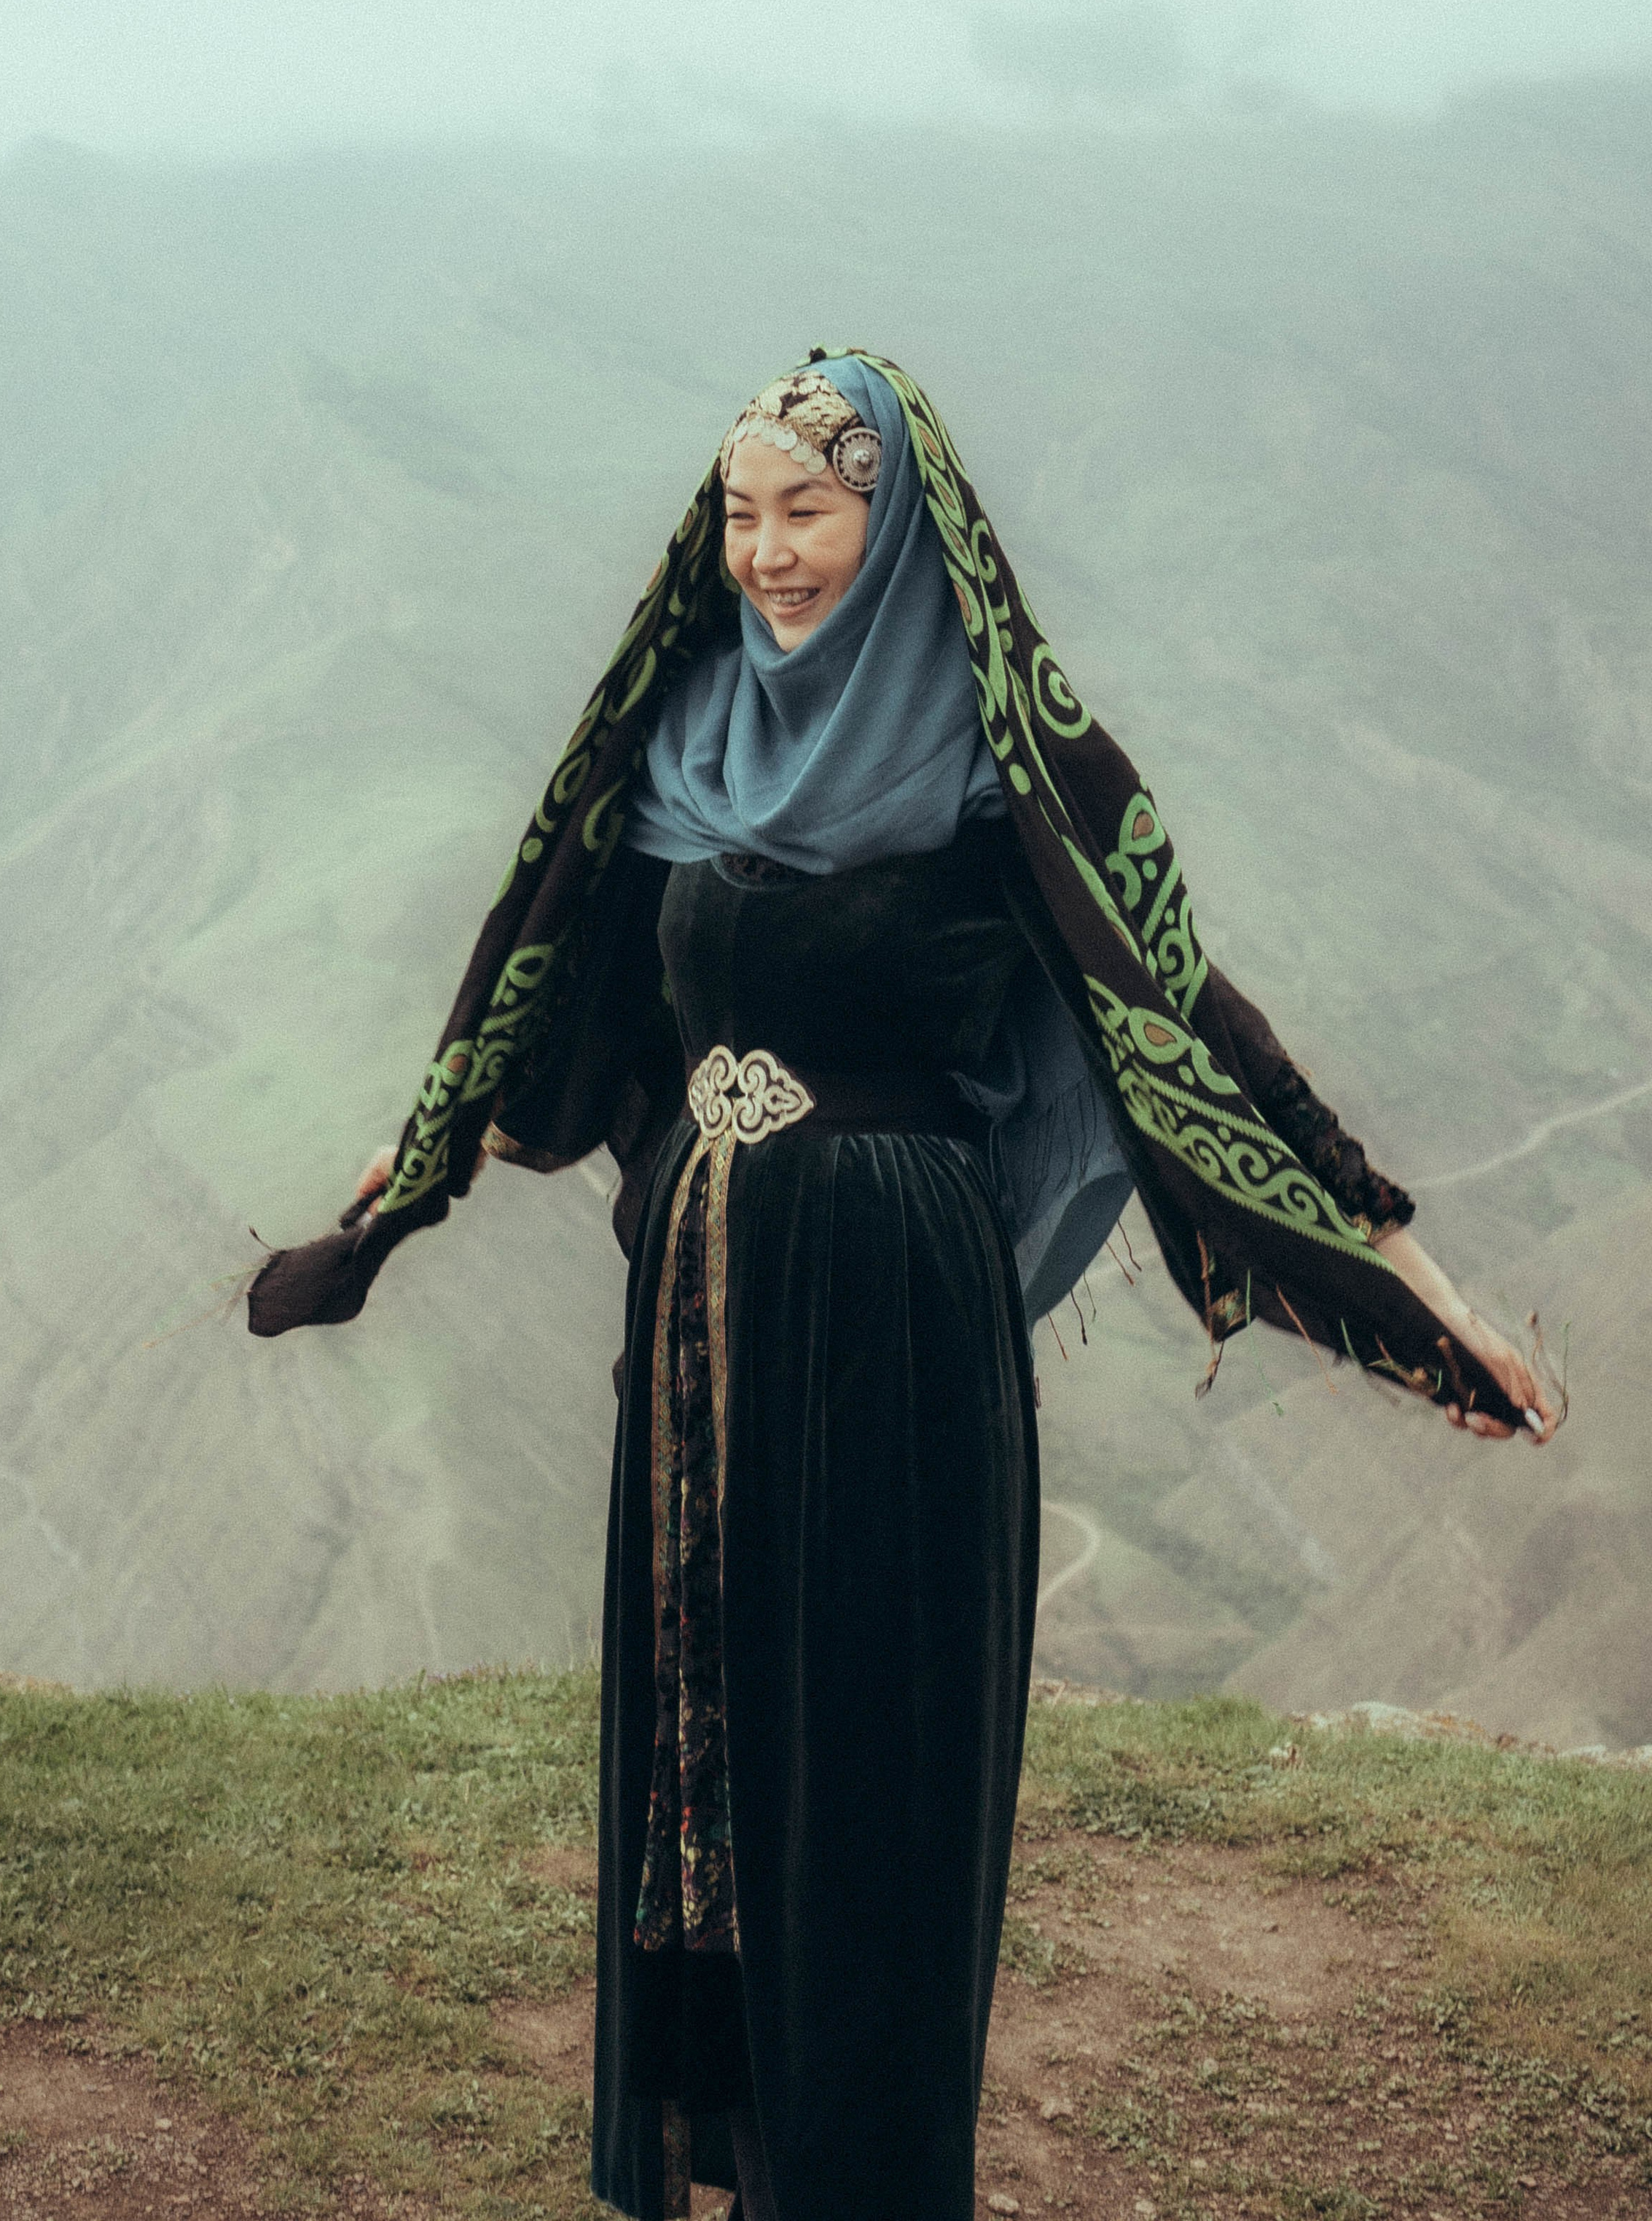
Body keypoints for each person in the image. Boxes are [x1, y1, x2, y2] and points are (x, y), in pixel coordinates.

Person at [248, 353, 1559, 2221]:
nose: (771, 555)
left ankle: (856, 2166)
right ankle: (725, 2124)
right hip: (696, 1297)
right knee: (701, 1699)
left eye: (812, 510)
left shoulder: (1003, 761)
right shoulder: (681, 731)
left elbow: (1186, 1020)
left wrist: (1402, 1275)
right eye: (743, 513)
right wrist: (430, 1143)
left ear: (896, 525)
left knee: (866, 1740)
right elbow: (566, 983)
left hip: (891, 1303)